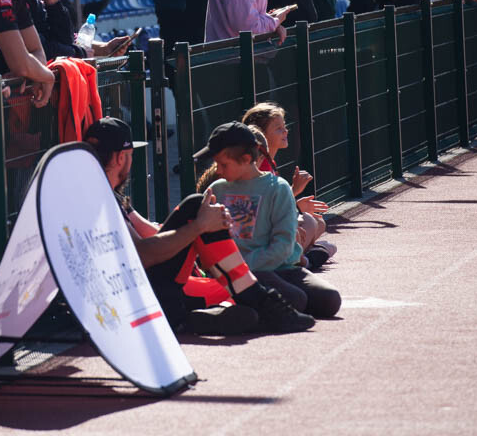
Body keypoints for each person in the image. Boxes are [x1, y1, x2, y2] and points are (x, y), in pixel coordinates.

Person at [85, 117, 315, 335]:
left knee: (255, 306)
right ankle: (238, 304)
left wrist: (197, 237)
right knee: (197, 209)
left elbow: (149, 232)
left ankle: (223, 309)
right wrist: (198, 227)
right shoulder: (100, 198)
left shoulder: (106, 194)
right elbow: (142, 254)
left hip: (149, 286)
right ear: (120, 158)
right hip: (139, 294)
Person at [199, 122, 341, 319]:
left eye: (224, 165)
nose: (219, 171)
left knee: (329, 300)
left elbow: (283, 244)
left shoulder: (278, 188)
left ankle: (253, 308)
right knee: (295, 299)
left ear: (247, 159)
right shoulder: (217, 189)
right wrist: (236, 270)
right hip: (237, 273)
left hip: (280, 267)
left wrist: (248, 265)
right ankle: (243, 314)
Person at [241, 103, 333, 269]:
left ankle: (304, 253)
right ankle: (301, 259)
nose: (285, 131)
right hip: (261, 236)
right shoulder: (259, 166)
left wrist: (296, 203)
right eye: (278, 128)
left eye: (284, 126)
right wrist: (294, 193)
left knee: (318, 222)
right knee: (310, 222)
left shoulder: (270, 162)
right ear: (262, 135)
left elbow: (273, 201)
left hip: (269, 229)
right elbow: (263, 208)